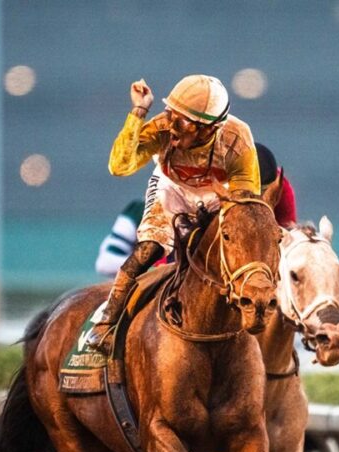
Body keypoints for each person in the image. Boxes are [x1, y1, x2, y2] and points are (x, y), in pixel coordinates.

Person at [84, 74, 261, 352]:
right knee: (149, 249)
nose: (172, 128)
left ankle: (259, 310)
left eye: (181, 122)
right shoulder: (164, 127)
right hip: (172, 187)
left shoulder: (237, 139)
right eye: (171, 114)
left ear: (208, 129)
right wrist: (139, 112)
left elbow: (246, 199)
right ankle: (108, 321)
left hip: (218, 193)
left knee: (239, 244)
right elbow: (119, 166)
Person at [94, 143, 297, 279]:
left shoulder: (279, 185)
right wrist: (152, 269)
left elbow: (288, 241)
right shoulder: (147, 207)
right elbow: (105, 263)